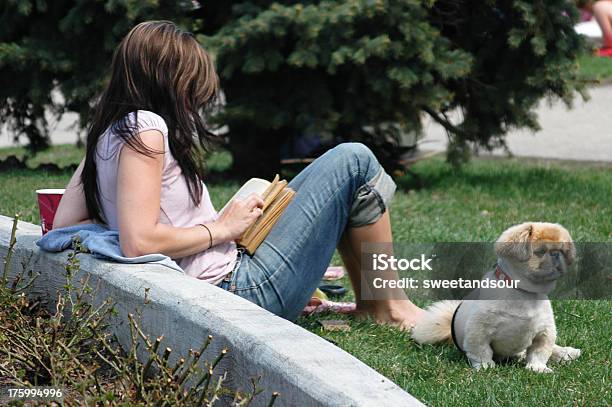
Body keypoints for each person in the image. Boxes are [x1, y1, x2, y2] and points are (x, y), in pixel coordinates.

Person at [53, 21, 423, 329]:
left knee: (307, 181)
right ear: (169, 80)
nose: (196, 97)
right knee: (353, 159)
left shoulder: (109, 132)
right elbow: (139, 243)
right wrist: (222, 229)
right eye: (191, 83)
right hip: (236, 291)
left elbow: (62, 225)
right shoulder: (146, 128)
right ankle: (389, 309)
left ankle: (373, 305)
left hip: (221, 281)